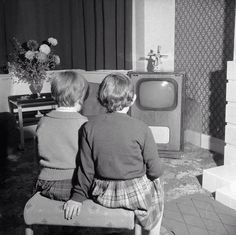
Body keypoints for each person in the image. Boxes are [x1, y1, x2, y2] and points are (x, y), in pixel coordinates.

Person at [64, 73, 164, 234]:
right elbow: (155, 170)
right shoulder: (142, 128)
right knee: (158, 188)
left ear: (101, 97)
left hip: (103, 193)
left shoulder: (88, 127)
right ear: (133, 98)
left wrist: (77, 197)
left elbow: (85, 168)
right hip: (134, 195)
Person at [34, 71, 88, 201]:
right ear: (80, 96)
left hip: (45, 183)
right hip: (73, 184)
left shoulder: (43, 121)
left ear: (53, 94)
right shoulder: (83, 123)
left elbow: (36, 156)